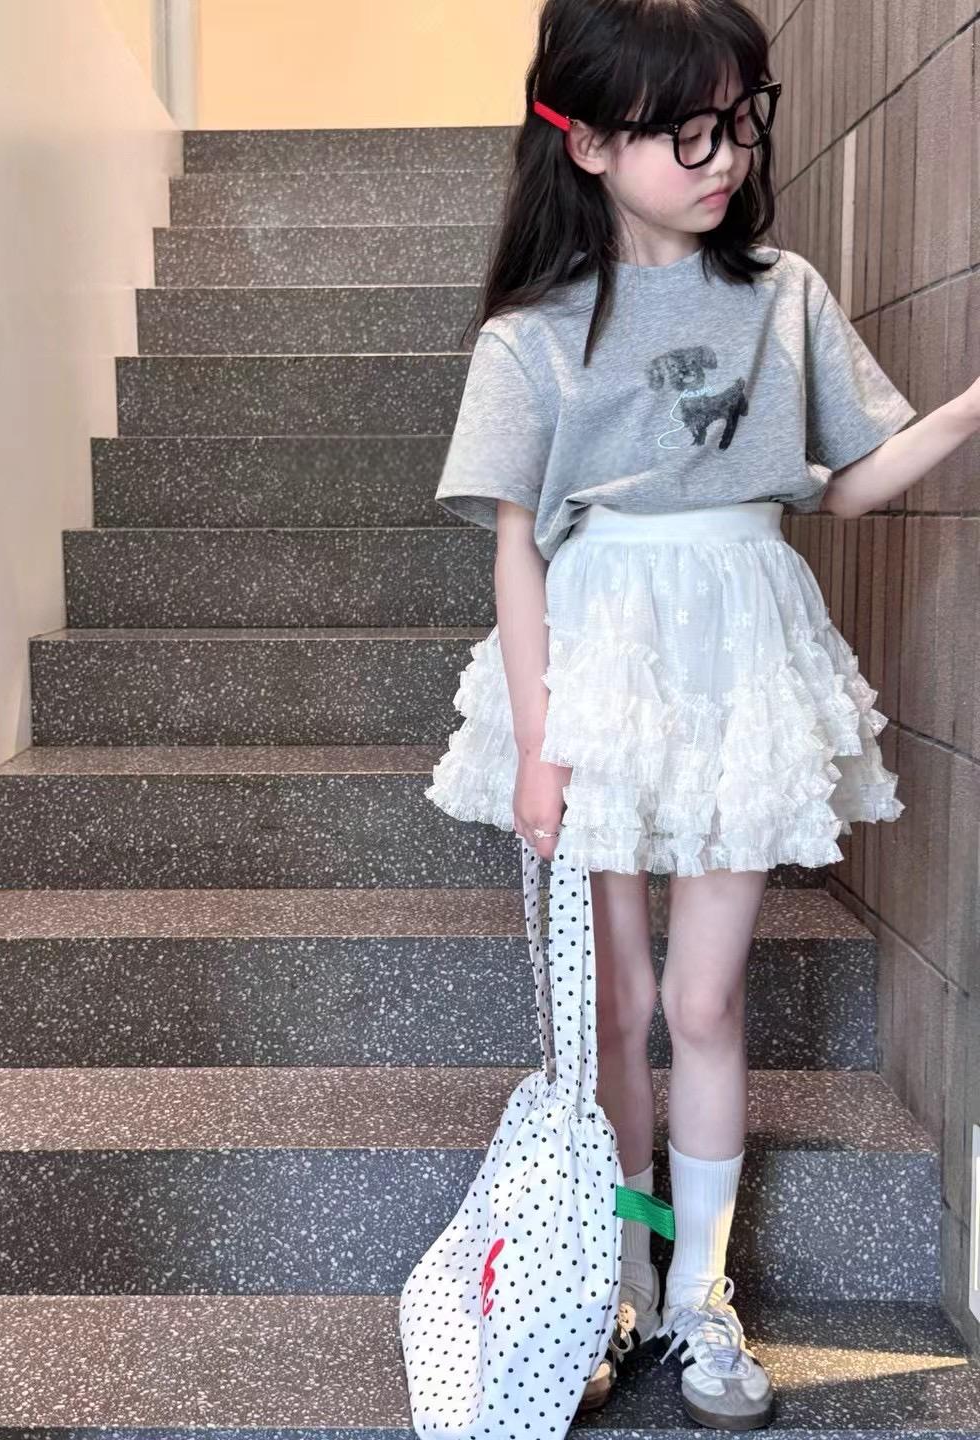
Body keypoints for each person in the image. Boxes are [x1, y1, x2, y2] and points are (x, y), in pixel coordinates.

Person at [423, 0, 980, 1429]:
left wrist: (970, 407)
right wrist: (542, 742)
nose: (723, 153)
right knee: (613, 1008)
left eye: (737, 120)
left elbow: (845, 484)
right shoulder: (533, 333)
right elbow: (515, 552)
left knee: (705, 998)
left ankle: (700, 1297)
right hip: (600, 667)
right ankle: (613, 1281)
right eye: (685, 129)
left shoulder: (783, 292)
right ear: (588, 143)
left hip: (742, 656)